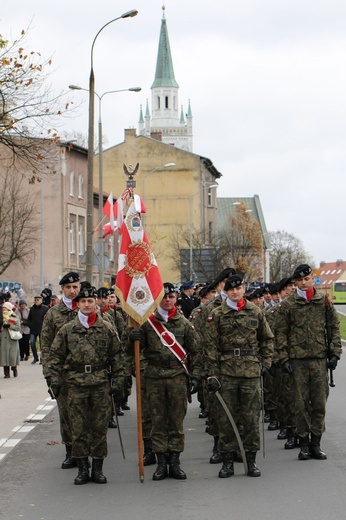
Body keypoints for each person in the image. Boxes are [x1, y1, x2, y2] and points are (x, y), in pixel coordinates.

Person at [46, 286, 125, 485]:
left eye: (91, 301)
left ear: (95, 303)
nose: (87, 304)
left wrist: (118, 381)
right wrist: (53, 380)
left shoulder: (106, 327)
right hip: (75, 385)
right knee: (78, 428)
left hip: (99, 384)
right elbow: (55, 356)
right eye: (83, 301)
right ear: (78, 304)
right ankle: (82, 469)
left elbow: (117, 356)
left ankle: (97, 469)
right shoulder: (67, 329)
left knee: (99, 428)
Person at [127, 282, 203, 481]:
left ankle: (175, 462)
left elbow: (196, 351)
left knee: (176, 421)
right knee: (158, 421)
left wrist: (195, 376)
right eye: (164, 297)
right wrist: (131, 338)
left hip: (177, 377)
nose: (168, 300)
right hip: (154, 378)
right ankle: (161, 462)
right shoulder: (147, 323)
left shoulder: (184, 323)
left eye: (171, 296)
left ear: (176, 298)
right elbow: (133, 352)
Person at [204, 274, 274, 478]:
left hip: (251, 372)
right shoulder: (217, 314)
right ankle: (227, 462)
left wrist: (265, 363)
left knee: (251, 418)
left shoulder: (255, 312)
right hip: (226, 373)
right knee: (226, 419)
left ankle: (250, 460)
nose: (235, 291)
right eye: (231, 289)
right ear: (226, 292)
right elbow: (210, 347)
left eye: (239, 288)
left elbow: (267, 339)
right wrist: (213, 375)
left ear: (244, 289)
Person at [275, 264, 342, 460]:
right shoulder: (288, 305)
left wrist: (335, 353)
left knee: (319, 403)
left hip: (320, 360)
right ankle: (303, 443)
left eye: (307, 279)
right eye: (300, 280)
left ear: (313, 279)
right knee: (300, 404)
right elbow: (281, 333)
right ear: (295, 282)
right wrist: (284, 358)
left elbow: (334, 328)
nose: (304, 283)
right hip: (297, 361)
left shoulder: (323, 302)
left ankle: (316, 443)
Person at [41, 271, 81, 469]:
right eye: (68, 288)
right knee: (66, 414)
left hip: (88, 374)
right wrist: (50, 375)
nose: (72, 291)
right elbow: (46, 346)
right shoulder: (53, 314)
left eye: (75, 287)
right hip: (64, 374)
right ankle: (71, 451)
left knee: (89, 415)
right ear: (62, 289)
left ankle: (87, 451)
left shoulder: (89, 309)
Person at [0, 302, 21, 378]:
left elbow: (18, 327)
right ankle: (6, 373)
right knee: (4, 356)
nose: (3, 309)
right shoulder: (1, 316)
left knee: (12, 356)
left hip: (12, 338)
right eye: (2, 308)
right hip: (3, 338)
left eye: (4, 308)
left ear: (8, 308)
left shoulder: (14, 316)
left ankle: (14, 368)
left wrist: (10, 326)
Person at [27, 295, 49, 364]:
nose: (36, 301)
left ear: (41, 300)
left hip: (42, 329)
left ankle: (42, 358)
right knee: (32, 343)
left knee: (42, 344)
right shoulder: (32, 309)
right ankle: (35, 357)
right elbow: (29, 318)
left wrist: (45, 326)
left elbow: (48, 318)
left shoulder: (45, 308)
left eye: (38, 300)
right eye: (35, 300)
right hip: (33, 329)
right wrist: (30, 325)